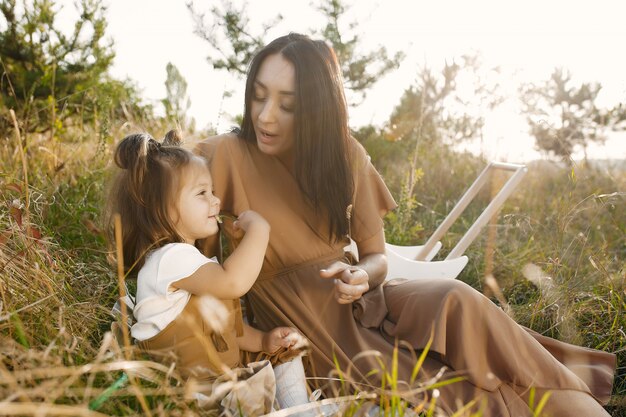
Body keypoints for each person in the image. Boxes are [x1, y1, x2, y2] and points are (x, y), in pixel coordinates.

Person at [195, 33, 616, 416]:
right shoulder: (225, 154)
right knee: (449, 391)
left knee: (457, 297)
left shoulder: (345, 154)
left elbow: (377, 255)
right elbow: (188, 255)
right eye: (259, 97)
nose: (266, 117)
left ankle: (579, 405)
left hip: (365, 300)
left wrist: (362, 274)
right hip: (308, 326)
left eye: (287, 105)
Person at [106, 130, 310, 415]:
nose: (216, 201)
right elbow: (234, 282)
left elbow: (224, 332)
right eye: (202, 193)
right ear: (160, 209)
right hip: (198, 396)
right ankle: (300, 410)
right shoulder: (169, 259)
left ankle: (301, 410)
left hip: (221, 382)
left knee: (286, 355)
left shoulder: (191, 263)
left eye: (212, 191)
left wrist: (264, 341)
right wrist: (260, 231)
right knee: (274, 378)